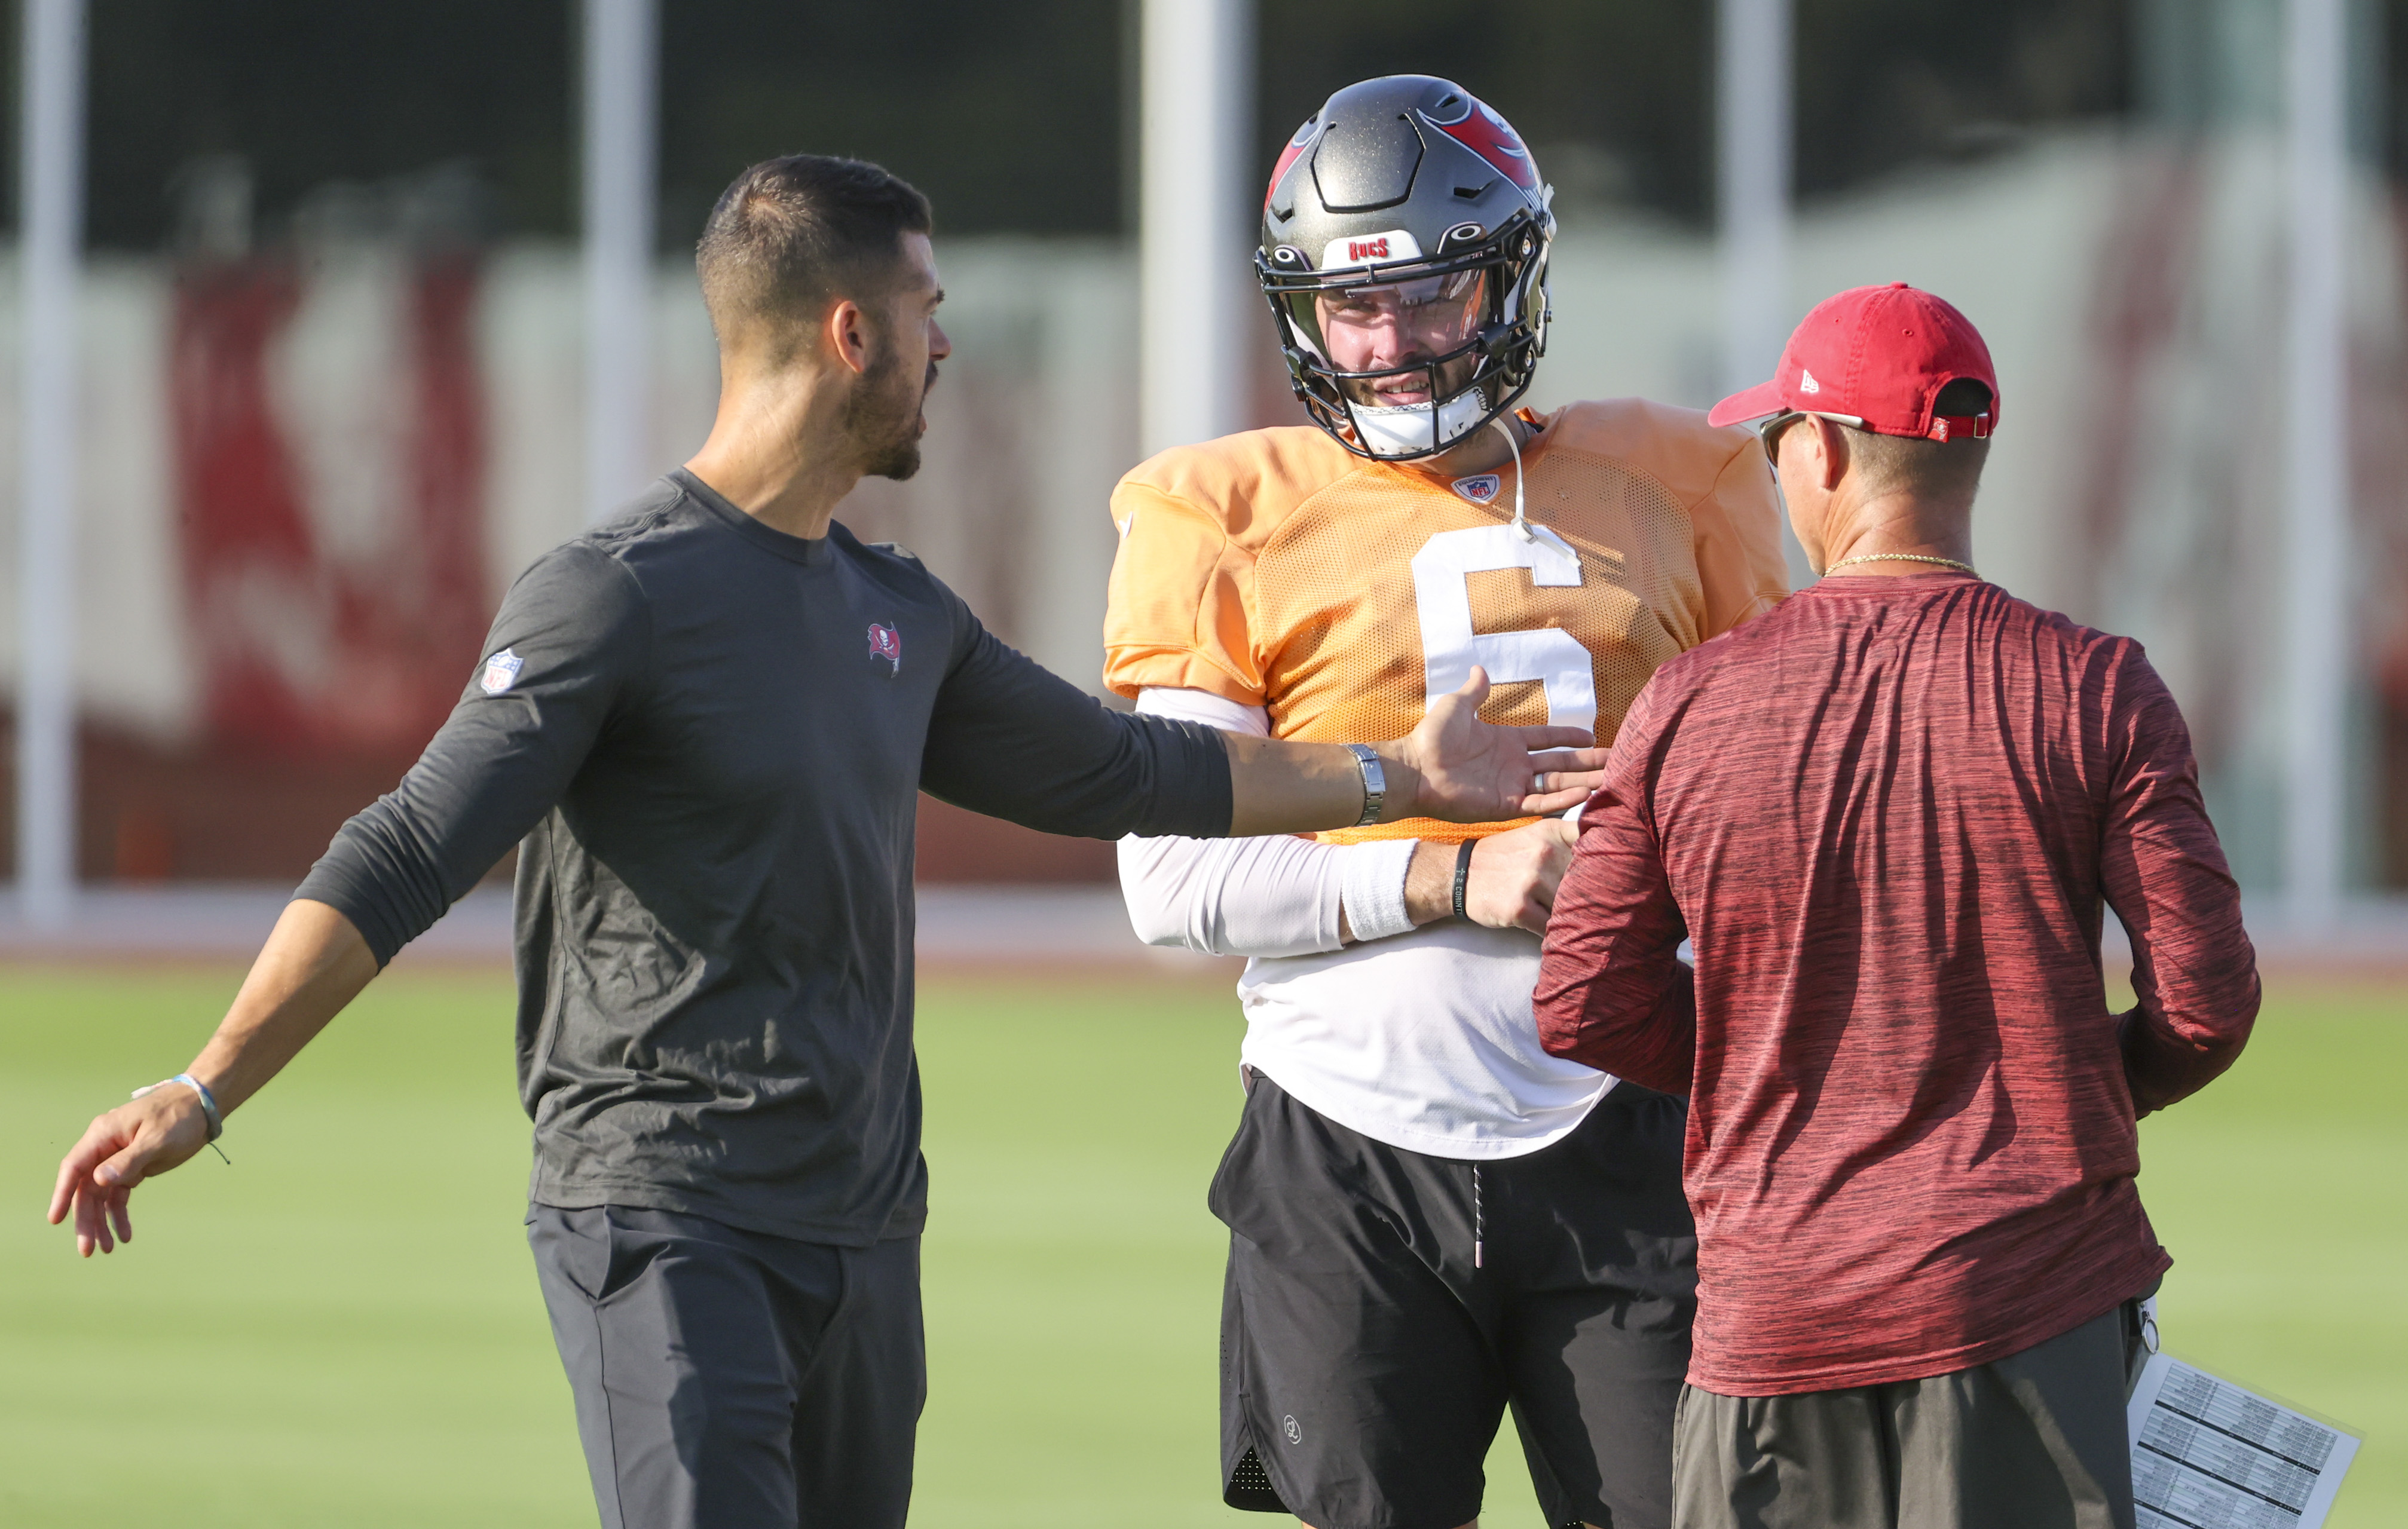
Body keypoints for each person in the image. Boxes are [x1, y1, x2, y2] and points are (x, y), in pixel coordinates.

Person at [45, 155, 1608, 1529]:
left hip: (863, 1229)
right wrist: (204, 1086)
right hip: (661, 1215)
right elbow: (405, 848)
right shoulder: (613, 596)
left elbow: (1133, 772)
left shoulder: (896, 615)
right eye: (923, 307)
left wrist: (1395, 770)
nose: (945, 344)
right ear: (846, 334)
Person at [1107, 76, 1789, 1529]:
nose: (1388, 346)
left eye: (1428, 295)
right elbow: (1166, 886)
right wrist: (1442, 876)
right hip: (1341, 1146)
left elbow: (1795, 825)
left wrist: (1674, 817)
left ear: (1513, 273)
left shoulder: (1684, 476)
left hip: (1640, 1122)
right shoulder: (1216, 508)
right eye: (1351, 308)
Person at [1532, 282, 2262, 1529]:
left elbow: (1581, 999)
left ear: (1815, 449)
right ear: (1970, 455)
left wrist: (1772, 1064)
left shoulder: (1689, 703)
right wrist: (2053, 1084)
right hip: (2034, 1304)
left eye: (1775, 446)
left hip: (1772, 1313)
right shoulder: (2097, 687)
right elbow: (2206, 1000)